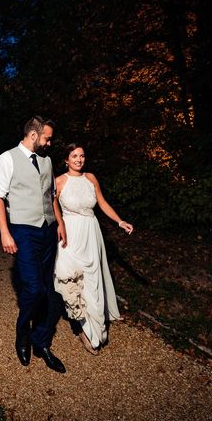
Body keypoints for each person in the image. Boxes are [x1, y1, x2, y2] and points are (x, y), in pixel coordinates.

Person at [0, 116, 68, 373]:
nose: (49, 143)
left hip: (48, 231)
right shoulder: (7, 158)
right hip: (23, 230)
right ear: (33, 136)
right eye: (47, 138)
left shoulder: (47, 161)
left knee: (48, 290)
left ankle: (41, 341)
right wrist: (4, 232)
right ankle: (22, 334)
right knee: (33, 288)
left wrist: (60, 224)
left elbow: (51, 197)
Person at [53, 143, 133, 355]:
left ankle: (95, 327)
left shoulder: (91, 178)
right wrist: (60, 225)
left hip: (91, 232)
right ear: (66, 160)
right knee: (72, 280)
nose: (79, 159)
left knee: (92, 280)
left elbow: (102, 203)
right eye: (74, 156)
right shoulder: (59, 181)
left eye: (82, 155)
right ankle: (83, 327)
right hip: (69, 234)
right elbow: (52, 205)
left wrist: (120, 221)